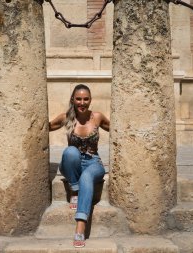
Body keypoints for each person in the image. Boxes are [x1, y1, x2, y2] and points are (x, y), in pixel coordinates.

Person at [49, 84, 110, 248]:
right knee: (70, 152)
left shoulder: (97, 117)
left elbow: (117, 129)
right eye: (78, 99)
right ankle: (74, 189)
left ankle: (80, 226)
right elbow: (46, 127)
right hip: (73, 163)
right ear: (73, 100)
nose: (82, 102)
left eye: (85, 99)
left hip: (93, 162)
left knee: (87, 176)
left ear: (90, 100)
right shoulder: (65, 118)